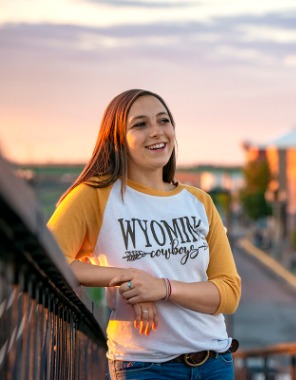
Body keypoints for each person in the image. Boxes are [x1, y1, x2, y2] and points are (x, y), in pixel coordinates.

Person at [47, 89, 241, 379]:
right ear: (117, 139)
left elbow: (228, 292)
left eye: (163, 121)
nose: (156, 132)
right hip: (144, 366)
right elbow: (50, 258)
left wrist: (163, 288)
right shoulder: (95, 196)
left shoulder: (199, 201)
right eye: (140, 124)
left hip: (214, 364)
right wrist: (129, 277)